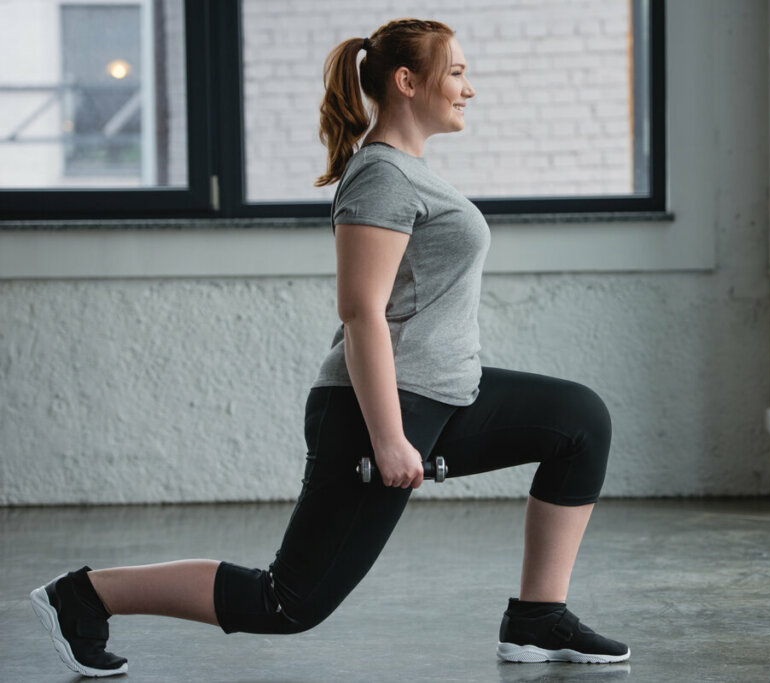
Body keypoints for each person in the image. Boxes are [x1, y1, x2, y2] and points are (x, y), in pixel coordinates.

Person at [30, 18, 630, 677]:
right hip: (379, 404)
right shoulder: (380, 177)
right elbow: (360, 312)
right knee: (288, 600)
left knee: (579, 420)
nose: (469, 89)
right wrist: (390, 436)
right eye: (456, 73)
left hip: (443, 393)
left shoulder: (408, 171)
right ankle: (84, 595)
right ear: (408, 82)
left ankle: (538, 618)